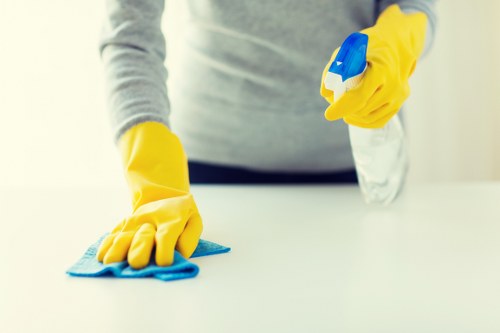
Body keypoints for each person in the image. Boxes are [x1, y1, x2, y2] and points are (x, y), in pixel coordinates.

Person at [96, 0, 436, 269]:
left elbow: (413, 5)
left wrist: (397, 41)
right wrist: (154, 176)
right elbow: (130, 38)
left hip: (356, 170)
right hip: (200, 176)